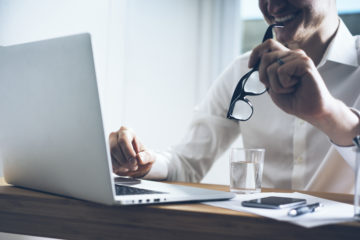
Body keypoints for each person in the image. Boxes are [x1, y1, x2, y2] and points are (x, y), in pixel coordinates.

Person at [109, 0, 360, 193]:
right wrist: (143, 162)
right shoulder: (242, 73)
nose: (272, 7)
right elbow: (187, 163)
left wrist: (328, 114)